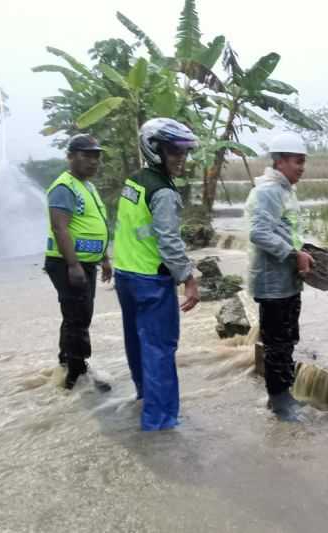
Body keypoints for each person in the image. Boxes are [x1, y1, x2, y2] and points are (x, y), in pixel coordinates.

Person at [112, 118, 200, 431]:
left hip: (126, 276)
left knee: (137, 343)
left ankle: (144, 399)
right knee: (160, 351)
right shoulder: (163, 191)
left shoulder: (134, 181)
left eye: (184, 151)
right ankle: (160, 425)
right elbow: (169, 241)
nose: (181, 158)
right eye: (174, 150)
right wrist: (189, 278)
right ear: (154, 149)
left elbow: (130, 229)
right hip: (150, 280)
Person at [246, 132, 314, 422]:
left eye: (303, 162)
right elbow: (259, 233)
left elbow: (287, 231)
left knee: (287, 339)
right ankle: (279, 401)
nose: (302, 167)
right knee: (277, 343)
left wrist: (305, 252)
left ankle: (284, 395)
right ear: (281, 161)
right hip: (273, 283)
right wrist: (293, 254)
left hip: (286, 281)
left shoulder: (285, 190)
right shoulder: (269, 192)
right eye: (298, 161)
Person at [45, 134, 112, 391]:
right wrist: (73, 265)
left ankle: (66, 366)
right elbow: (60, 228)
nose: (93, 161)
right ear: (70, 156)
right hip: (67, 264)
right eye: (86, 155)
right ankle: (78, 376)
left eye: (96, 156)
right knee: (78, 318)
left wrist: (103, 258)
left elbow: (92, 226)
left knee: (76, 315)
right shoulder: (64, 186)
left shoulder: (87, 186)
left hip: (85, 263)